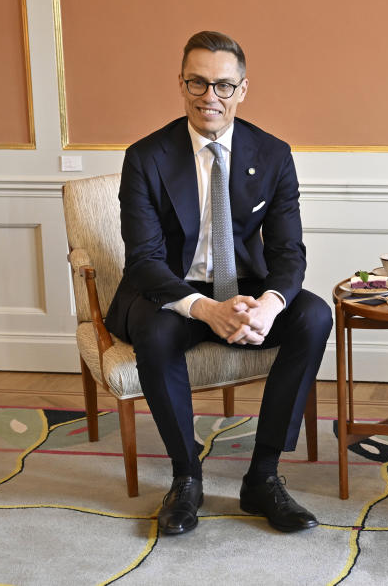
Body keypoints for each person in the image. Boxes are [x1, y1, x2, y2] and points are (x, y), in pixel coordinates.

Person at [104, 30, 333, 536]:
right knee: (155, 330)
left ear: (242, 90)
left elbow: (288, 252)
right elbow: (143, 260)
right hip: (171, 294)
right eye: (198, 83)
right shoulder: (146, 157)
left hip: (245, 289)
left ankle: (263, 477)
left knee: (313, 314)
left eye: (224, 86)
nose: (211, 97)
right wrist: (207, 310)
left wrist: (270, 305)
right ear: (181, 84)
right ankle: (186, 476)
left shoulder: (272, 154)